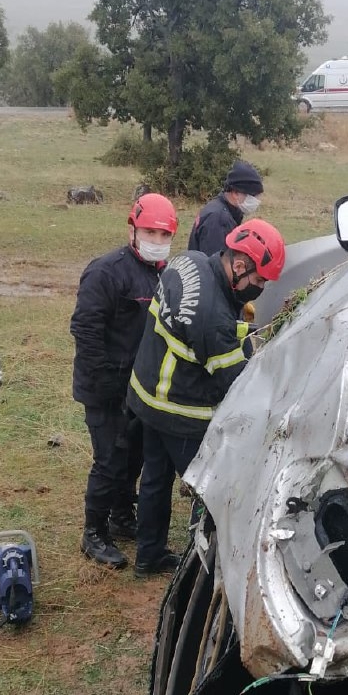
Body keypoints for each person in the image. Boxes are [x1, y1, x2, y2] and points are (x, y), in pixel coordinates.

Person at [127, 218, 286, 577]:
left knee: (154, 478)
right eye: (259, 281)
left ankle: (148, 556)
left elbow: (215, 327)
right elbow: (237, 381)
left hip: (146, 390)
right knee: (211, 488)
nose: (259, 289)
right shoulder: (211, 318)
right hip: (176, 408)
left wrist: (262, 330)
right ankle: (210, 566)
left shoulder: (192, 260)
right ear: (240, 265)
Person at [70, 193, 178, 569]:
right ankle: (93, 531)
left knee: (133, 456)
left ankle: (120, 515)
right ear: (132, 229)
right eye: (150, 231)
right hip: (105, 387)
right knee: (110, 460)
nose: (157, 240)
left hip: (138, 387)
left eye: (164, 235)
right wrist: (105, 388)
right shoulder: (105, 272)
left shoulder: (163, 273)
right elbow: (85, 330)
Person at [188, 160, 264, 256]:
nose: (256, 201)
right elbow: (215, 264)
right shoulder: (218, 219)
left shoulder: (224, 210)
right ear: (236, 193)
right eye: (253, 196)